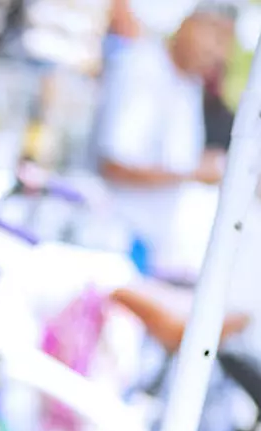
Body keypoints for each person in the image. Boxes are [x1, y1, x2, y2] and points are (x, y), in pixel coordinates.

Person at [93, 2, 236, 276]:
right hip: (114, 240)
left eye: (225, 41)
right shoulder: (144, 70)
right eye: (215, 35)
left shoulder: (190, 86)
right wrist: (194, 171)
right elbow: (115, 164)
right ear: (187, 24)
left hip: (153, 250)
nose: (218, 52)